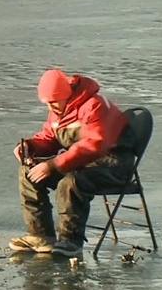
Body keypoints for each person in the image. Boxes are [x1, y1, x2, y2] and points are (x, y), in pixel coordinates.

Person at [10, 69, 137, 257]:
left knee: (71, 183)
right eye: (47, 103)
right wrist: (30, 146)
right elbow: (50, 138)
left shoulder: (95, 105)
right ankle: (40, 235)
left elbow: (94, 144)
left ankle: (71, 241)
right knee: (29, 172)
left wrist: (54, 165)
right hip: (83, 162)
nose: (51, 107)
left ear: (66, 95)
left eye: (54, 102)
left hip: (114, 165)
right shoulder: (58, 111)